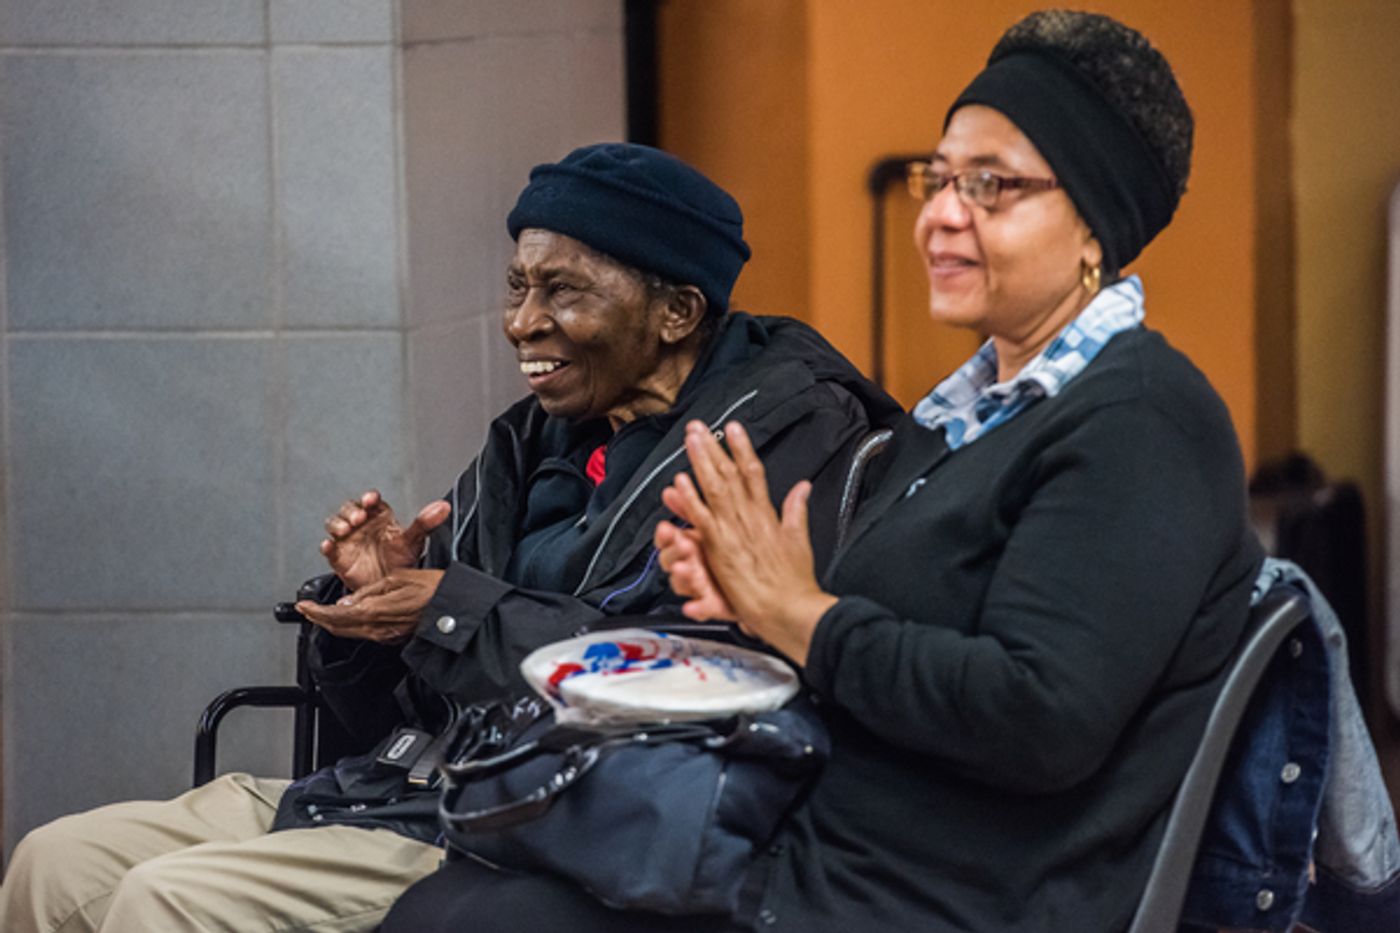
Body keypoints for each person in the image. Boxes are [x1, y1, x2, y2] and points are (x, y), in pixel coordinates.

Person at [380, 10, 1265, 933]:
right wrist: (748, 596)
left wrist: (797, 614)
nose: (941, 212)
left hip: (927, 896)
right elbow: (886, 634)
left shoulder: (1139, 419)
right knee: (453, 898)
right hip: (815, 847)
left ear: (1095, 225)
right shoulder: (968, 419)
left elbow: (1039, 719)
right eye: (942, 176)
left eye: (992, 185)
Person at [0, 143, 899, 933]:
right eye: (518, 284)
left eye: (563, 290)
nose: (521, 321)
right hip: (405, 785)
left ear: (676, 311)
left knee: (169, 899)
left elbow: (696, 668)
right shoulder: (537, 438)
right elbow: (405, 706)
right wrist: (369, 612)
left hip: (544, 815)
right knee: (55, 860)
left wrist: (451, 611)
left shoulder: (777, 435)